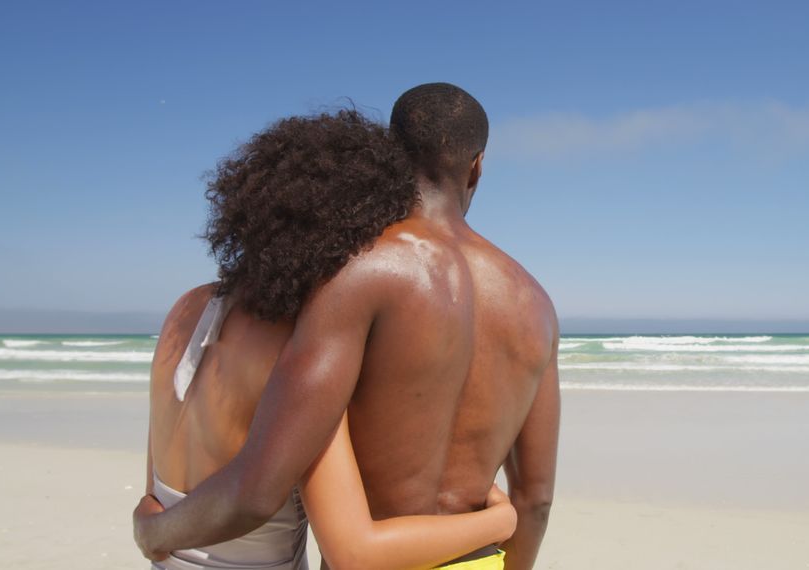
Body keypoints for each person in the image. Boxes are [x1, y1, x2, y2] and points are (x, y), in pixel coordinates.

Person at [134, 83, 560, 570]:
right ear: (478, 166)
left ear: (388, 155)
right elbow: (535, 499)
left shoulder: (358, 273)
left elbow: (266, 482)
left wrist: (153, 532)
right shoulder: (537, 303)